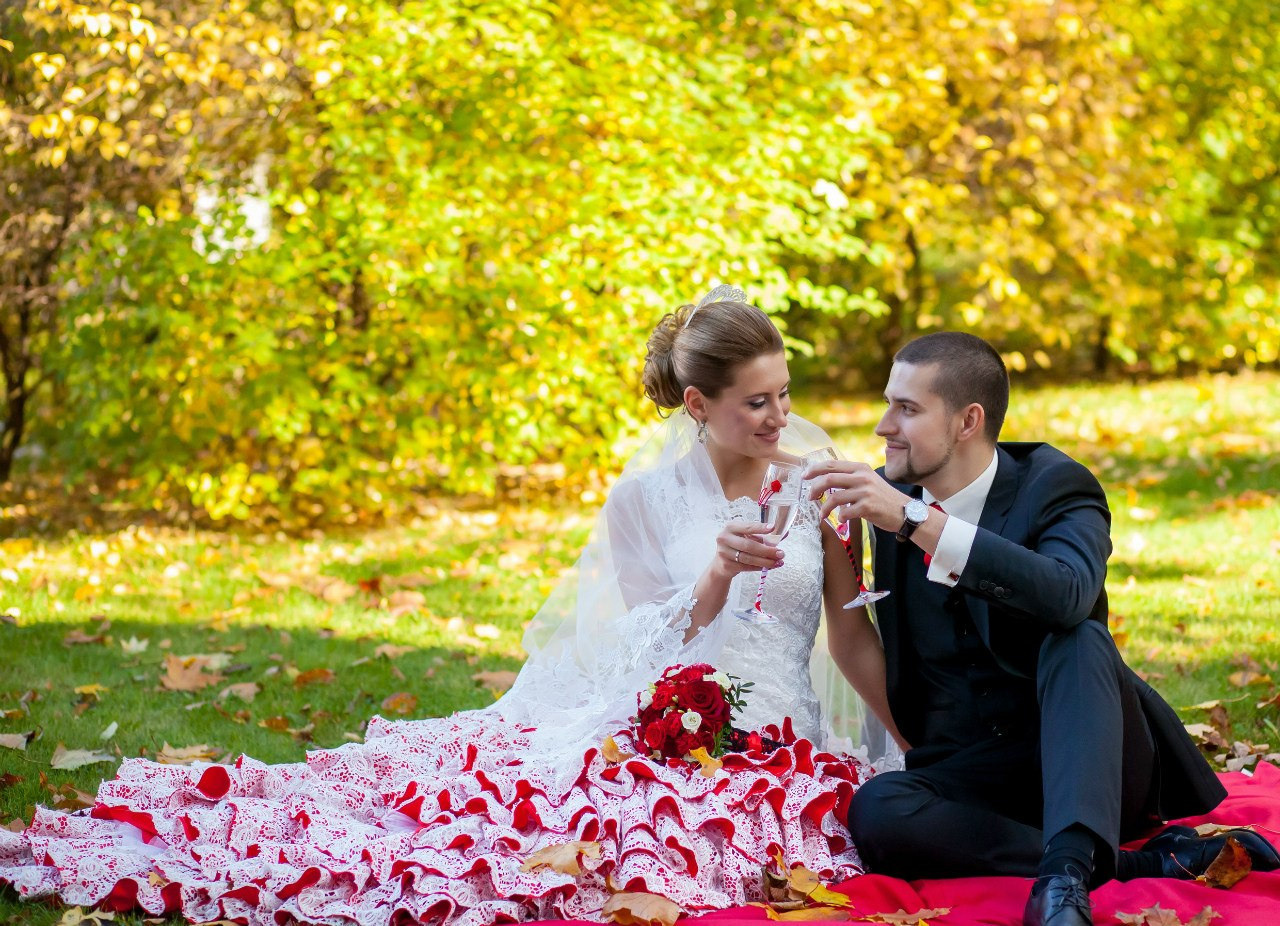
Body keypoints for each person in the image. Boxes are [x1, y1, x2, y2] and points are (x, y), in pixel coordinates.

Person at [0, 287, 902, 926]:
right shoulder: (645, 500)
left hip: (784, 732)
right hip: (672, 721)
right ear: (699, 404)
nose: (780, 417)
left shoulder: (819, 487)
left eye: (785, 394)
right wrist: (710, 579)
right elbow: (635, 649)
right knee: (539, 837)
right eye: (756, 402)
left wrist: (903, 735)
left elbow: (850, 634)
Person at [805, 331, 1279, 926]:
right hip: (978, 767)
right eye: (887, 402)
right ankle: (1095, 869)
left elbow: (1067, 593)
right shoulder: (893, 495)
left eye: (907, 408)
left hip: (1092, 757)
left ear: (967, 421)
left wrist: (919, 522)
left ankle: (1066, 875)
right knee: (877, 811)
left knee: (1078, 635)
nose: (883, 425)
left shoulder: (1055, 485)